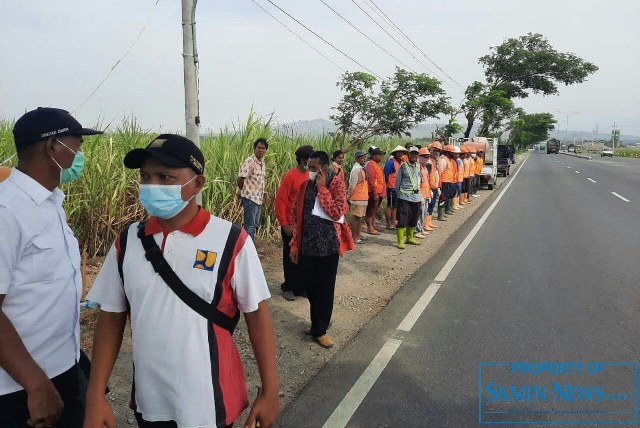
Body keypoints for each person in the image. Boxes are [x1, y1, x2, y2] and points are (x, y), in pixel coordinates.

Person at [84, 134, 279, 428]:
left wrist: (270, 390)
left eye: (165, 177)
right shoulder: (127, 242)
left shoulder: (231, 240)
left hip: (210, 400)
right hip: (150, 402)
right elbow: (111, 316)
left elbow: (257, 315)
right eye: (146, 177)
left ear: (197, 184)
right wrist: (95, 395)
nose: (152, 186)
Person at [0, 107, 103, 427]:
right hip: (20, 390)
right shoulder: (7, 210)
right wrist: (35, 383)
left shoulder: (50, 202)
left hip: (60, 370)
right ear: (53, 147)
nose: (81, 152)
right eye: (77, 143)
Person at [289, 151, 354, 349]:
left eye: (313, 168)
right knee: (309, 286)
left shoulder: (337, 185)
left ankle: (320, 329)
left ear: (324, 169)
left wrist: (321, 188)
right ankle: (317, 320)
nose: (309, 171)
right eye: (308, 167)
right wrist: (294, 244)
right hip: (307, 246)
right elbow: (297, 216)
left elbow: (336, 211)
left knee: (325, 289)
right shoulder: (305, 186)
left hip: (328, 246)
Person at [274, 145, 313, 301]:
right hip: (290, 224)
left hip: (305, 224)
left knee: (303, 257)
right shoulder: (291, 176)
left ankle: (300, 287)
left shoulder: (310, 175)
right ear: (302, 160)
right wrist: (284, 223)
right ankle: (288, 287)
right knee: (290, 256)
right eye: (309, 160)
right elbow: (280, 201)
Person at [237, 138, 268, 241]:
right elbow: (240, 178)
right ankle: (250, 251)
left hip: (258, 199)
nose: (261, 150)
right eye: (259, 147)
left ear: (266, 150)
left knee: (254, 224)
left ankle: (248, 248)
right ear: (254, 148)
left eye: (263, 148)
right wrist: (243, 192)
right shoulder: (249, 161)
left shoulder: (262, 163)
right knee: (249, 225)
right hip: (250, 198)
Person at [394, 146, 423, 249]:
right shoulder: (403, 166)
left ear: (417, 155)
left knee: (414, 218)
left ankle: (409, 238)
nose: (414, 155)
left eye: (416, 154)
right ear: (408, 155)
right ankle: (400, 241)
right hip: (404, 197)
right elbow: (397, 183)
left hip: (416, 198)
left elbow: (420, 181)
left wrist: (421, 196)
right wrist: (399, 196)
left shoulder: (419, 166)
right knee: (402, 219)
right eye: (412, 154)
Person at [383, 145, 408, 230]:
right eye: (399, 152)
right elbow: (385, 174)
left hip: (399, 188)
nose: (400, 154)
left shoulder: (401, 162)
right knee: (390, 206)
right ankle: (388, 223)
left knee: (396, 206)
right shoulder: (390, 162)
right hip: (391, 187)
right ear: (395, 153)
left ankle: (394, 221)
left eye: (402, 152)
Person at [347, 150, 368, 244]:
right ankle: (354, 237)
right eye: (362, 157)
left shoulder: (361, 168)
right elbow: (352, 185)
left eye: (365, 157)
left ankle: (358, 234)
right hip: (357, 198)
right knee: (355, 218)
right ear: (357, 159)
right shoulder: (356, 170)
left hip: (362, 198)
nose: (364, 159)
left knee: (359, 218)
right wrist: (348, 196)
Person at [364, 147, 386, 235]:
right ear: (374, 155)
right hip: (374, 192)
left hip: (379, 192)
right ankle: (369, 227)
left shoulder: (377, 164)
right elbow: (371, 181)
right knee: (370, 210)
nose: (381, 157)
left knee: (374, 210)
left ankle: (373, 225)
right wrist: (375, 193)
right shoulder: (371, 164)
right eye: (380, 155)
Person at [414, 147, 432, 238]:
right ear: (419, 157)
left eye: (428, 157)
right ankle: (417, 231)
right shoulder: (417, 167)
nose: (426, 158)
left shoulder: (425, 167)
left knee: (424, 213)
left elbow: (427, 181)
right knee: (419, 214)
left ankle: (421, 229)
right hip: (420, 194)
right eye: (424, 156)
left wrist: (430, 192)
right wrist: (419, 195)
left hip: (426, 193)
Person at [425, 142, 441, 230]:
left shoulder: (434, 162)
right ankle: (426, 224)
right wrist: (429, 188)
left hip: (434, 186)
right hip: (429, 187)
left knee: (432, 205)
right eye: (435, 151)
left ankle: (429, 222)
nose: (437, 153)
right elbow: (427, 176)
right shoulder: (429, 162)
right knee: (429, 206)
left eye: (438, 151)